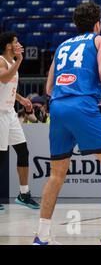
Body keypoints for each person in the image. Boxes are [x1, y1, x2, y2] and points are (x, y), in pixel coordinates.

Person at [34, 1, 101, 245]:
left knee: (56, 175)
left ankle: (42, 237)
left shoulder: (62, 45)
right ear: (98, 23)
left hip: (58, 107)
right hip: (82, 106)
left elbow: (48, 87)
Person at [0, 31, 40, 211]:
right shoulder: (1, 60)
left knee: (23, 151)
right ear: (9, 46)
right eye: (16, 42)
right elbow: (5, 78)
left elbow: (7, 86)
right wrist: (19, 60)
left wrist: (21, 99)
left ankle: (24, 194)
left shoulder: (11, 62)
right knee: (0, 157)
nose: (19, 44)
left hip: (10, 113)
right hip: (0, 114)